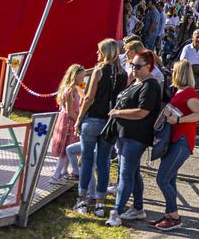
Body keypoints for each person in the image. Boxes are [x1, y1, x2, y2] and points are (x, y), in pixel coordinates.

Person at [106, 50, 163, 227]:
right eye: (132, 65)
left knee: (125, 174)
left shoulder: (151, 85)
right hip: (124, 135)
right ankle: (138, 208)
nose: (134, 68)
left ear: (148, 67)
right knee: (133, 173)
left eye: (138, 66)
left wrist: (117, 112)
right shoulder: (136, 82)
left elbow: (142, 112)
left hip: (136, 137)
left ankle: (116, 212)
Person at [69, 38, 126, 217]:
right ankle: (100, 204)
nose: (97, 54)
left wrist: (78, 119)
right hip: (109, 122)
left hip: (93, 119)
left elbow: (88, 98)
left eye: (99, 51)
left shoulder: (99, 71)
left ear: (106, 53)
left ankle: (82, 201)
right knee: (104, 162)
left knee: (86, 160)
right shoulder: (123, 73)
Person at [153, 59, 199, 231]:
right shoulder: (180, 91)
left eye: (173, 71)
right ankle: (169, 214)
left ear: (180, 73)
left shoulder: (189, 93)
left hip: (182, 141)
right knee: (170, 179)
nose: (171, 74)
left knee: (162, 179)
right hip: (175, 140)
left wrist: (178, 119)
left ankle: (175, 216)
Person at [48, 63, 85, 182]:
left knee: (69, 148)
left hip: (69, 121)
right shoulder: (70, 91)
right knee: (65, 150)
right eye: (81, 77)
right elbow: (70, 112)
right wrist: (78, 121)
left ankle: (64, 171)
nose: (83, 80)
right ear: (74, 76)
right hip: (69, 122)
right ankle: (56, 175)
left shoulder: (75, 89)